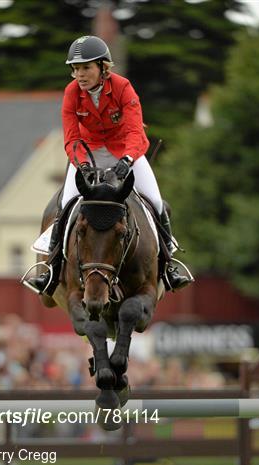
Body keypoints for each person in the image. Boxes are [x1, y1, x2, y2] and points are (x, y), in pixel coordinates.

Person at [27, 35, 192, 295]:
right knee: (65, 203)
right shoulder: (71, 93)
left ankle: (170, 266)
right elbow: (71, 138)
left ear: (103, 67)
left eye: (85, 68)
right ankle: (51, 270)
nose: (79, 75)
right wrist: (81, 165)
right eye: (75, 69)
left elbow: (136, 131)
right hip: (89, 153)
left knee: (156, 202)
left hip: (126, 150)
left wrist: (127, 160)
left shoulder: (123, 87)